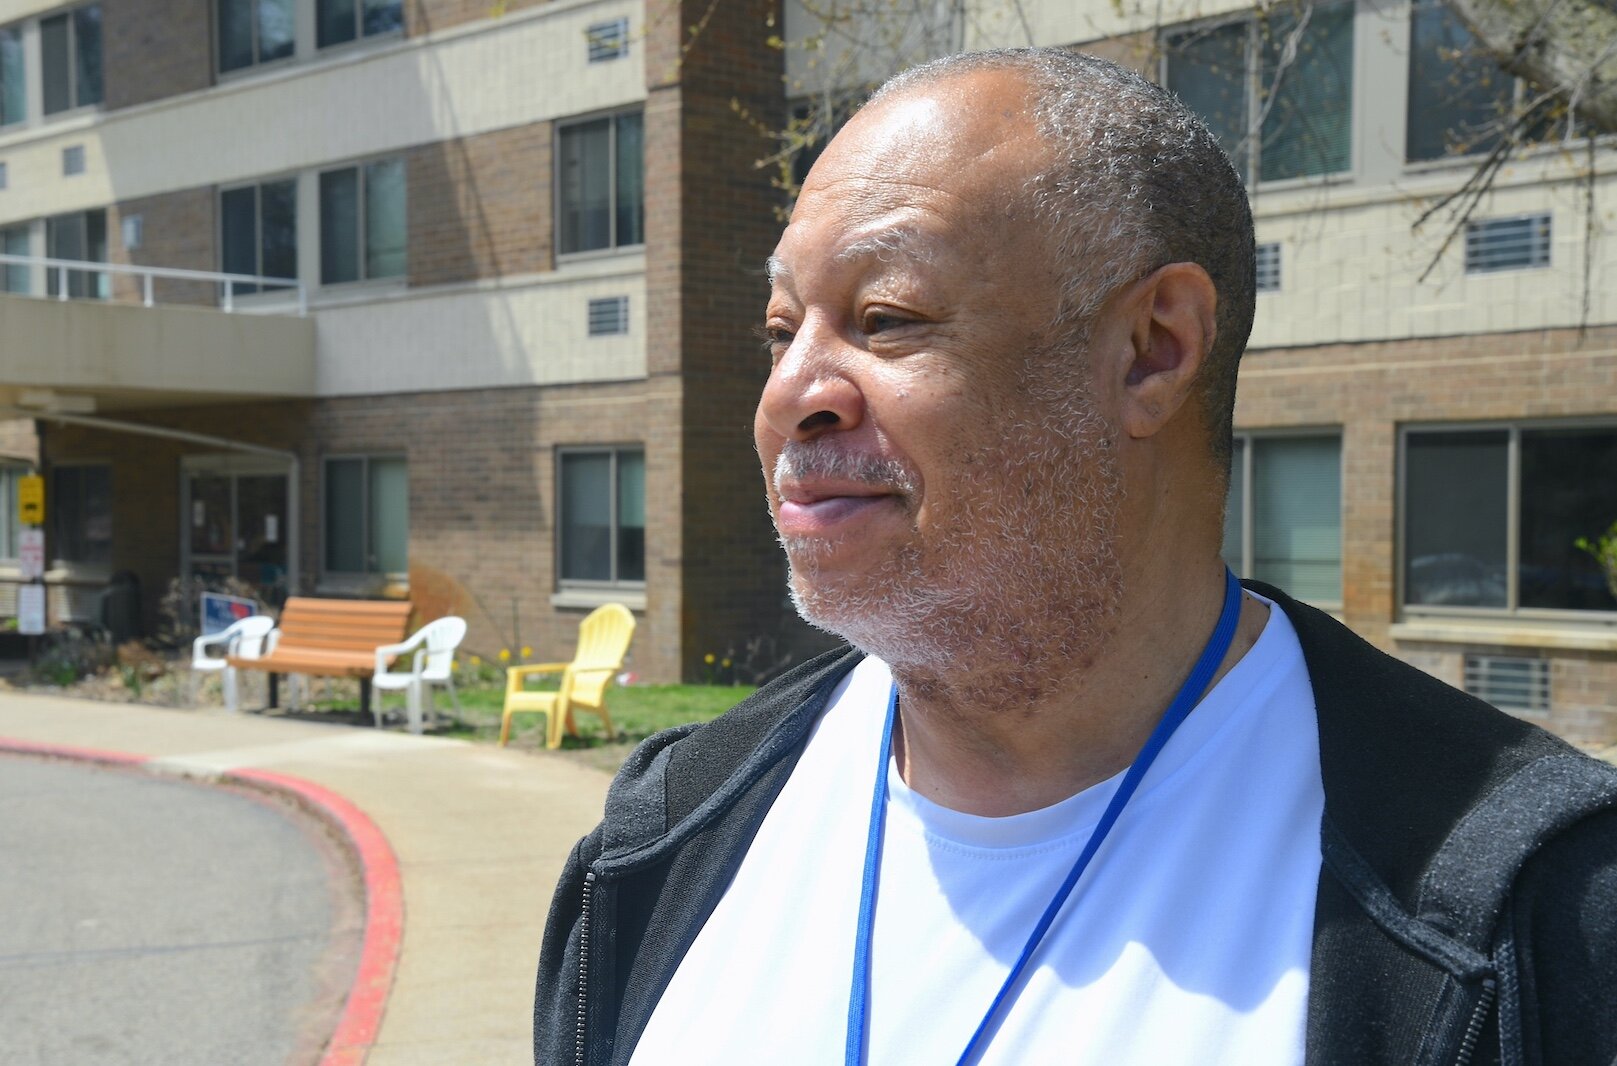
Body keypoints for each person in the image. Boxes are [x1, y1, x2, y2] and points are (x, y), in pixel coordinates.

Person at [535, 49, 1617, 1065]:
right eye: (782, 333)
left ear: (1152, 351)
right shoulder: (664, 839)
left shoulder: (1532, 916)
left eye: (887, 316)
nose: (789, 397)